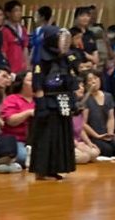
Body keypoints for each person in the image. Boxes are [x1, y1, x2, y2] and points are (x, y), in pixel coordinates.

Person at [30, 26, 79, 180]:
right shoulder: (42, 60)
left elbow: (71, 80)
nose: (64, 43)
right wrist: (41, 104)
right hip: (48, 102)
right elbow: (37, 84)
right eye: (61, 39)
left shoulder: (66, 58)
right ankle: (41, 170)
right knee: (47, 137)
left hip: (62, 101)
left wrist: (73, 102)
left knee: (60, 136)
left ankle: (55, 168)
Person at [81, 71, 115, 158]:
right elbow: (83, 123)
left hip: (106, 133)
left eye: (96, 78)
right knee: (107, 150)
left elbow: (111, 118)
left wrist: (110, 133)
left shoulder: (108, 96)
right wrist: (97, 136)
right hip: (94, 135)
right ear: (85, 84)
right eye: (90, 80)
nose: (94, 82)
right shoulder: (85, 99)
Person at [71, 83, 101, 164]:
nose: (81, 88)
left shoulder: (78, 107)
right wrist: (77, 144)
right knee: (84, 157)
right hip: (69, 143)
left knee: (95, 152)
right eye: (78, 86)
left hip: (78, 142)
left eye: (82, 86)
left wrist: (89, 143)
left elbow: (80, 130)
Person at [1, 0, 28, 73]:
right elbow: (3, 51)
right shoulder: (4, 30)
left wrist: (26, 65)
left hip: (22, 67)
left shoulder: (23, 29)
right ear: (8, 13)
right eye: (16, 11)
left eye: (20, 10)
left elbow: (25, 48)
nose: (19, 13)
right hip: (10, 67)